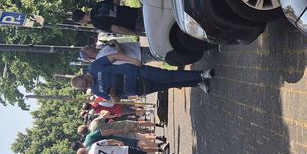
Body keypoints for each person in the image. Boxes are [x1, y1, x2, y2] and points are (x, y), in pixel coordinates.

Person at [71, 60, 213, 99]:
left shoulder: (95, 67)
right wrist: (114, 96)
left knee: (168, 76)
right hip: (140, 89)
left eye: (86, 81)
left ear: (83, 75)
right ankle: (196, 83)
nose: (89, 84)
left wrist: (132, 60)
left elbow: (113, 57)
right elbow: (116, 101)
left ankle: (201, 74)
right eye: (86, 86)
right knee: (169, 84)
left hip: (138, 73)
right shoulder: (97, 91)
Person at [72, 0, 144, 35]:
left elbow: (117, 28)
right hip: (136, 11)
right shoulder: (97, 5)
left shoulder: (96, 23)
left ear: (81, 20)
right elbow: (116, 1)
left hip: (135, 24)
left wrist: (133, 33)